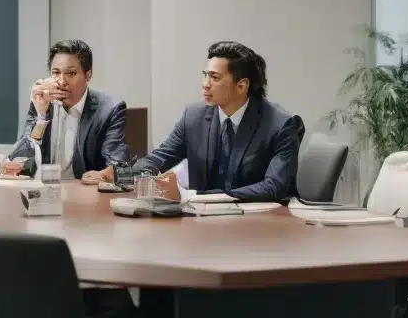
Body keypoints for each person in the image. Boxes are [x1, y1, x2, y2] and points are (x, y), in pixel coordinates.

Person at [130, 40, 303, 202]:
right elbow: (159, 158)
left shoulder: (281, 125)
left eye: (215, 78)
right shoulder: (193, 117)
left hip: (262, 224)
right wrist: (117, 175)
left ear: (242, 86)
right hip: (203, 223)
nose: (205, 84)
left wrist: (191, 196)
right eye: (205, 75)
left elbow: (273, 187)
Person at [2, 38, 132, 182]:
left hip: (85, 196)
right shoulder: (42, 102)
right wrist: (40, 117)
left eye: (71, 74)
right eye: (56, 73)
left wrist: (103, 175)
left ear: (88, 75)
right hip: (43, 194)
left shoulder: (109, 110)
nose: (62, 82)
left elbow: (117, 165)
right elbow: (21, 161)